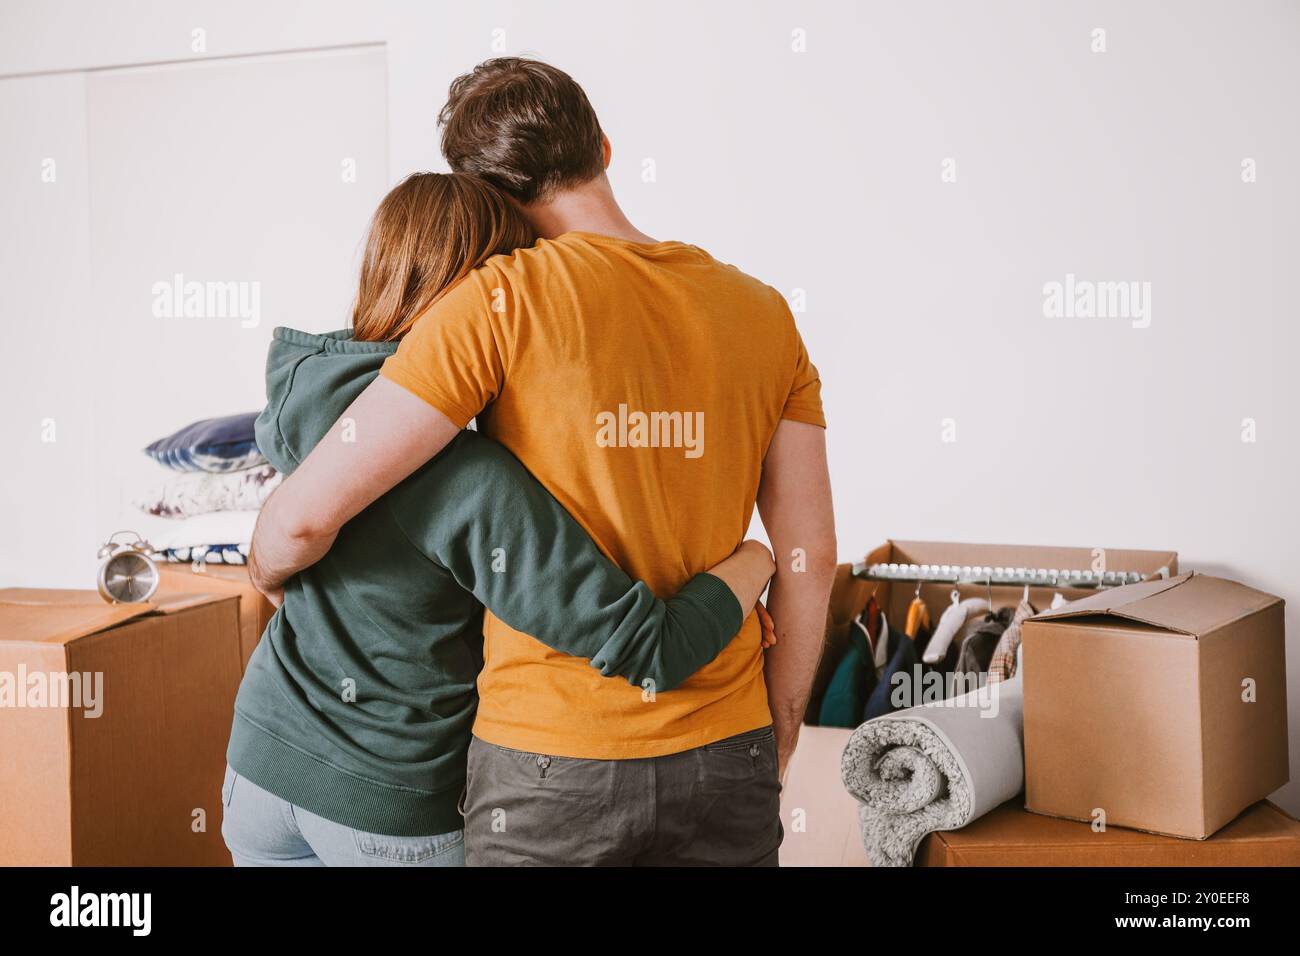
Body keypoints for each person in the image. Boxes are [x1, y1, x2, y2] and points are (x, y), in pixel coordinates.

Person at [249, 58, 836, 867]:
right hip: (725, 744)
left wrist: (267, 567)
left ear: (483, 189)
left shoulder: (494, 299)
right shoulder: (766, 313)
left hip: (547, 759)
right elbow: (813, 558)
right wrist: (778, 733)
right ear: (602, 143)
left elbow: (313, 506)